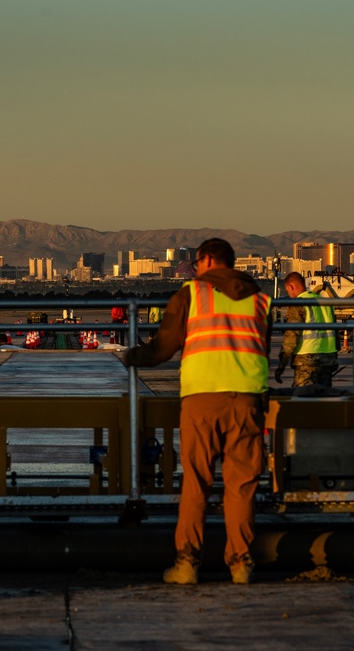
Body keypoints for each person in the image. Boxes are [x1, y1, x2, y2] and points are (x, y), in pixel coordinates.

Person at [124, 238, 272, 585]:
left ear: (205, 261)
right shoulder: (260, 298)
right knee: (242, 486)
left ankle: (188, 563)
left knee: (196, 482)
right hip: (248, 398)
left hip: (202, 399)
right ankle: (240, 564)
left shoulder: (192, 294)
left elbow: (164, 347)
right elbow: (262, 347)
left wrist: (133, 356)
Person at [275, 272, 338, 387]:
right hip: (328, 360)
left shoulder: (298, 304)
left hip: (307, 360)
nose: (289, 294)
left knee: (303, 399)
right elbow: (336, 331)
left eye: (288, 291)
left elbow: (291, 337)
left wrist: (281, 365)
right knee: (324, 399)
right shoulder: (325, 303)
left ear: (291, 287)